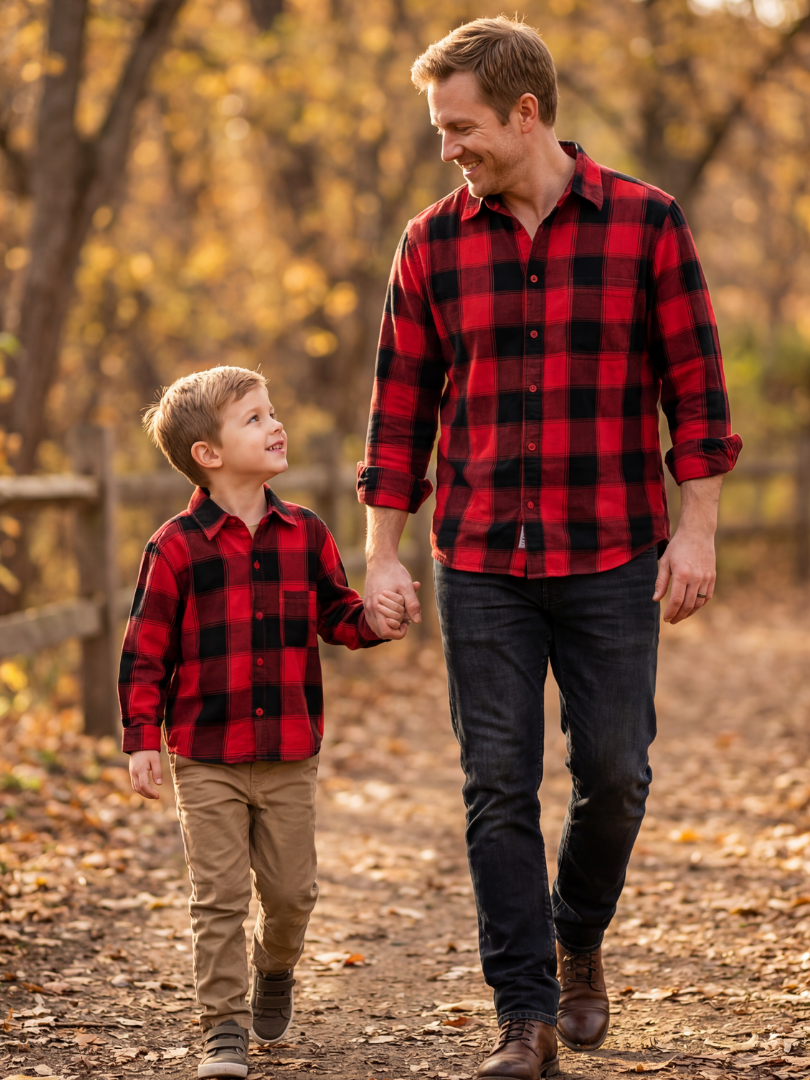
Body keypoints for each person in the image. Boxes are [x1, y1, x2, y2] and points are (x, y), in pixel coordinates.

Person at [358, 16, 742, 1080]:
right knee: (495, 784)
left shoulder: (649, 225)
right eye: (441, 130)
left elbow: (698, 397)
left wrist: (696, 531)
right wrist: (382, 552)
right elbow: (400, 412)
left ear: (528, 114)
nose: (450, 149)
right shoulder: (430, 242)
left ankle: (578, 937)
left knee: (616, 776)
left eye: (463, 126)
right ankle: (522, 1016)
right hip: (478, 558)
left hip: (612, 549)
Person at [119, 366, 407, 1079]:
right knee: (217, 896)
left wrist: (373, 620)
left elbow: (334, 612)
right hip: (206, 753)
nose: (274, 425)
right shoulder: (175, 548)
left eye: (271, 412)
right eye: (253, 418)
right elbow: (144, 651)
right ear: (207, 455)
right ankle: (223, 1023)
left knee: (289, 893)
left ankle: (273, 968)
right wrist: (139, 741)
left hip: (287, 750)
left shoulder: (304, 533)